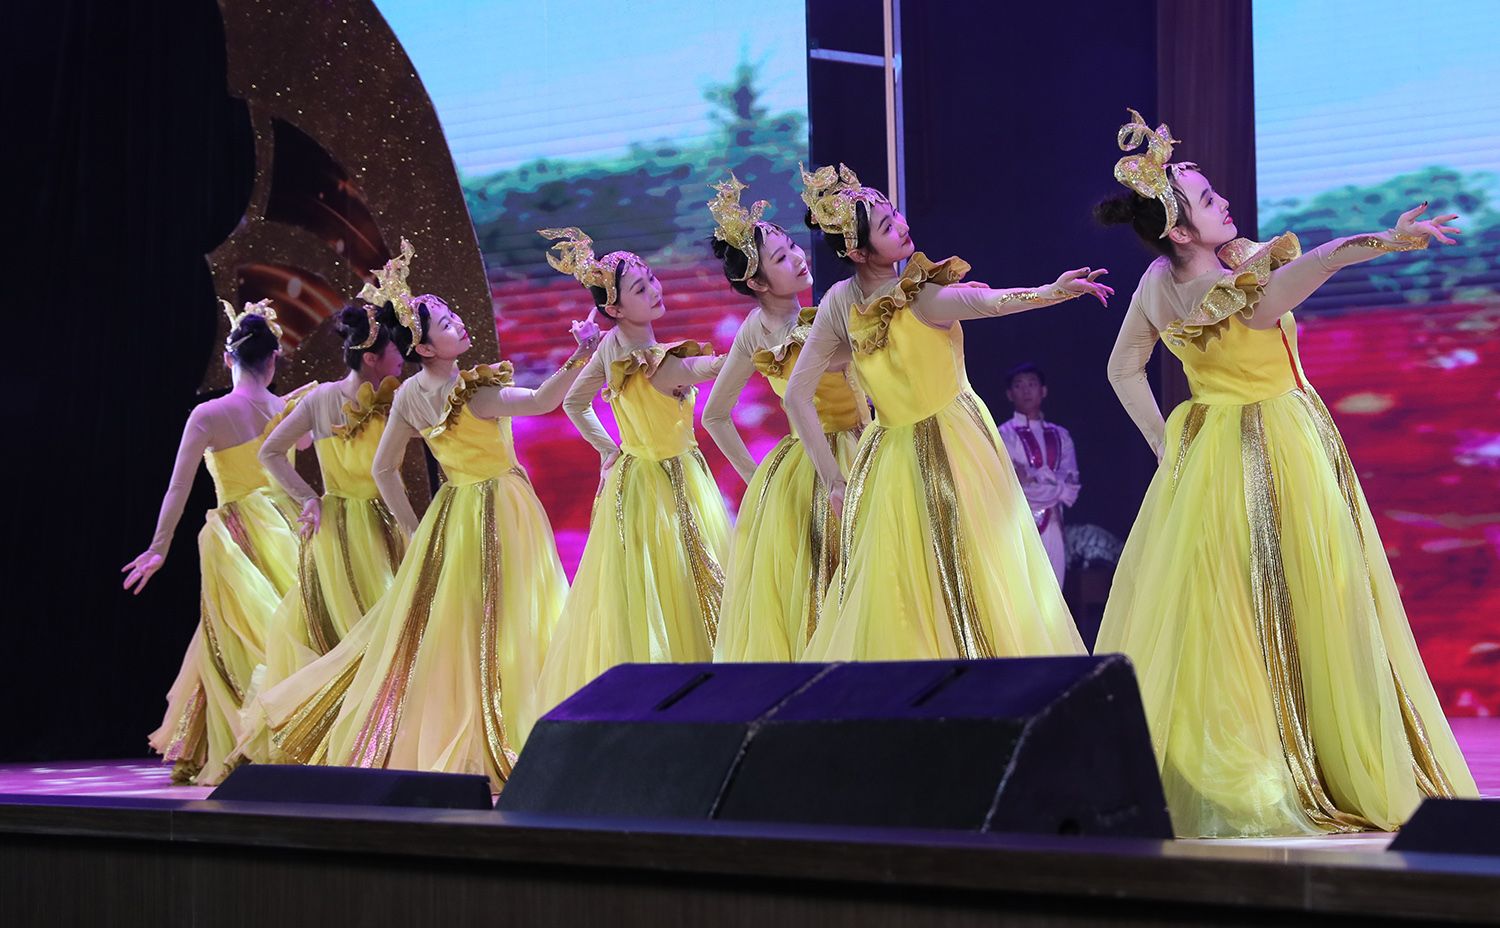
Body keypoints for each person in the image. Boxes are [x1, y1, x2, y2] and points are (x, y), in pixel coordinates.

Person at [1096, 108, 1477, 837]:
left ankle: (1251, 756)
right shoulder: (1235, 291)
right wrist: (1390, 239)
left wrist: (1165, 445)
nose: (1223, 203)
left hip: (1205, 455)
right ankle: (1306, 763)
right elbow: (1320, 260)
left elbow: (1123, 368)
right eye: (1207, 201)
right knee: (1308, 599)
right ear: (1180, 230)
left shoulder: (1159, 280)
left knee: (1229, 613)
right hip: (1274, 449)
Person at [251, 240, 599, 788]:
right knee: (513, 618)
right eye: (445, 322)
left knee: (465, 626)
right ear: (424, 346)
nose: (458, 322)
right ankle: (512, 730)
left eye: (452, 315)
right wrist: (581, 354)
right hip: (499, 507)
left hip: (452, 516)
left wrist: (415, 526)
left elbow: (385, 468)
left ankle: (484, 723)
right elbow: (541, 402)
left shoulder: (411, 394)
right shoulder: (470, 392)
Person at [783, 163, 1109, 661]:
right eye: (887, 226)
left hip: (926, 451)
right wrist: (833, 481)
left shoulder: (900, 295)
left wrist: (1053, 291)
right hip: (917, 452)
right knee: (927, 577)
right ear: (858, 252)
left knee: (939, 572)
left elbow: (991, 302)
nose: (901, 225)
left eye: (896, 215)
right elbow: (797, 393)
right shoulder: (855, 302)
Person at [534, 227, 729, 714]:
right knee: (676, 584)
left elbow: (576, 404)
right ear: (615, 308)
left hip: (646, 479)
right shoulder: (639, 356)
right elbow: (576, 403)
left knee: (663, 588)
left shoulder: (611, 348)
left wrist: (611, 450)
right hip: (663, 484)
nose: (655, 289)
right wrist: (609, 449)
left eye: (651, 279)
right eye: (640, 288)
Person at [124, 299, 307, 784]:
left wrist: (159, 547)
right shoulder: (286, 410)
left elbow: (178, 487)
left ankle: (247, 743)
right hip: (288, 528)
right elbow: (304, 446)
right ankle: (289, 733)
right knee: (284, 629)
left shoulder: (209, 414)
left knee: (239, 636)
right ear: (273, 360)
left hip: (237, 533)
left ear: (228, 359)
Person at [700, 175, 869, 661]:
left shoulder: (781, 324)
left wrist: (760, 479)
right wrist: (758, 479)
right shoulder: (797, 322)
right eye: (780, 258)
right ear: (756, 282)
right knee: (840, 585)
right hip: (834, 463)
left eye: (793, 246)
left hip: (815, 461)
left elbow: (716, 416)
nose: (797, 257)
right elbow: (714, 415)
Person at [998, 362, 1079, 584]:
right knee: (1022, 589)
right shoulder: (1003, 436)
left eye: (1032, 384)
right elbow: (1011, 485)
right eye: (1019, 385)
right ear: (1009, 394)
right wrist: (1053, 484)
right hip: (1017, 520)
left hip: (1053, 522)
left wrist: (1034, 476)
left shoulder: (1060, 435)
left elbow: (1071, 486)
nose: (1026, 390)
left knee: (1054, 589)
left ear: (1043, 391)